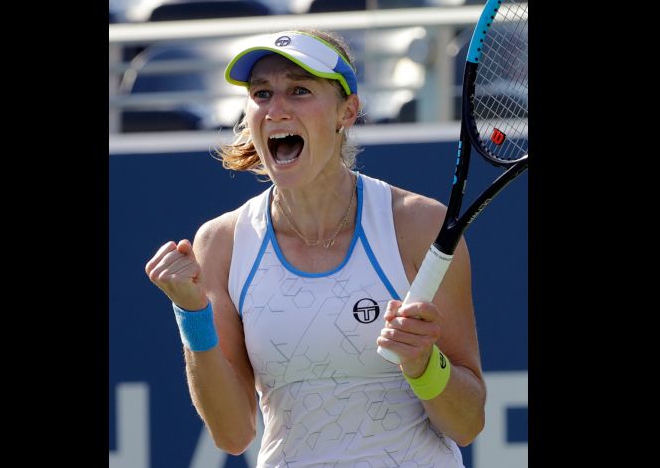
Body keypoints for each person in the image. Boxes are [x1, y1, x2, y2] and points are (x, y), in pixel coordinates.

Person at [145, 29, 486, 467]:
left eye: (300, 90)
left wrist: (423, 363)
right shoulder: (222, 243)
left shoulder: (418, 225)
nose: (275, 109)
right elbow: (233, 434)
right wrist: (192, 314)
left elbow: (467, 422)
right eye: (261, 93)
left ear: (348, 112)